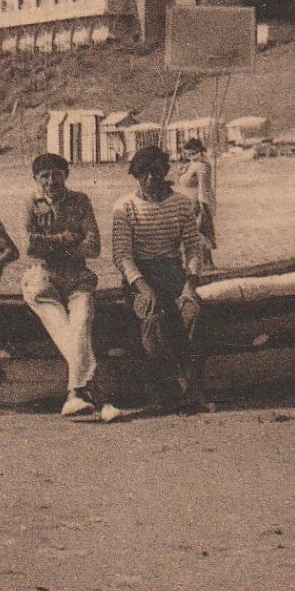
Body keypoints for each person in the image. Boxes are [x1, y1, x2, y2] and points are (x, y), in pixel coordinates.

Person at [112, 145, 210, 414]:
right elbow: (122, 256)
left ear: (165, 172)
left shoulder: (181, 204)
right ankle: (161, 394)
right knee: (152, 320)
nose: (150, 179)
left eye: (156, 172)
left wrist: (190, 283)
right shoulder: (126, 207)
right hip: (140, 278)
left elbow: (193, 247)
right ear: (135, 175)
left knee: (192, 313)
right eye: (143, 174)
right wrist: (143, 289)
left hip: (174, 274)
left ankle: (191, 391)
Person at [21, 153, 103, 418]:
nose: (51, 181)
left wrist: (52, 245)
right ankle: (81, 389)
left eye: (56, 174)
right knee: (58, 322)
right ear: (35, 179)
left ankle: (77, 391)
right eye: (44, 176)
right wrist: (67, 238)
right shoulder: (30, 205)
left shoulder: (80, 201)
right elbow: (30, 246)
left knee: (81, 321)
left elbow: (93, 246)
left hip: (77, 277)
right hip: (44, 277)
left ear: (65, 175)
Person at [175, 137, 217, 267]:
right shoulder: (193, 164)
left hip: (197, 203)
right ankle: (202, 262)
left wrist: (203, 205)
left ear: (194, 151)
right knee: (193, 232)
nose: (186, 154)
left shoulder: (201, 166)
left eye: (188, 152)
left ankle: (206, 262)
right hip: (188, 203)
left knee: (199, 230)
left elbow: (203, 187)